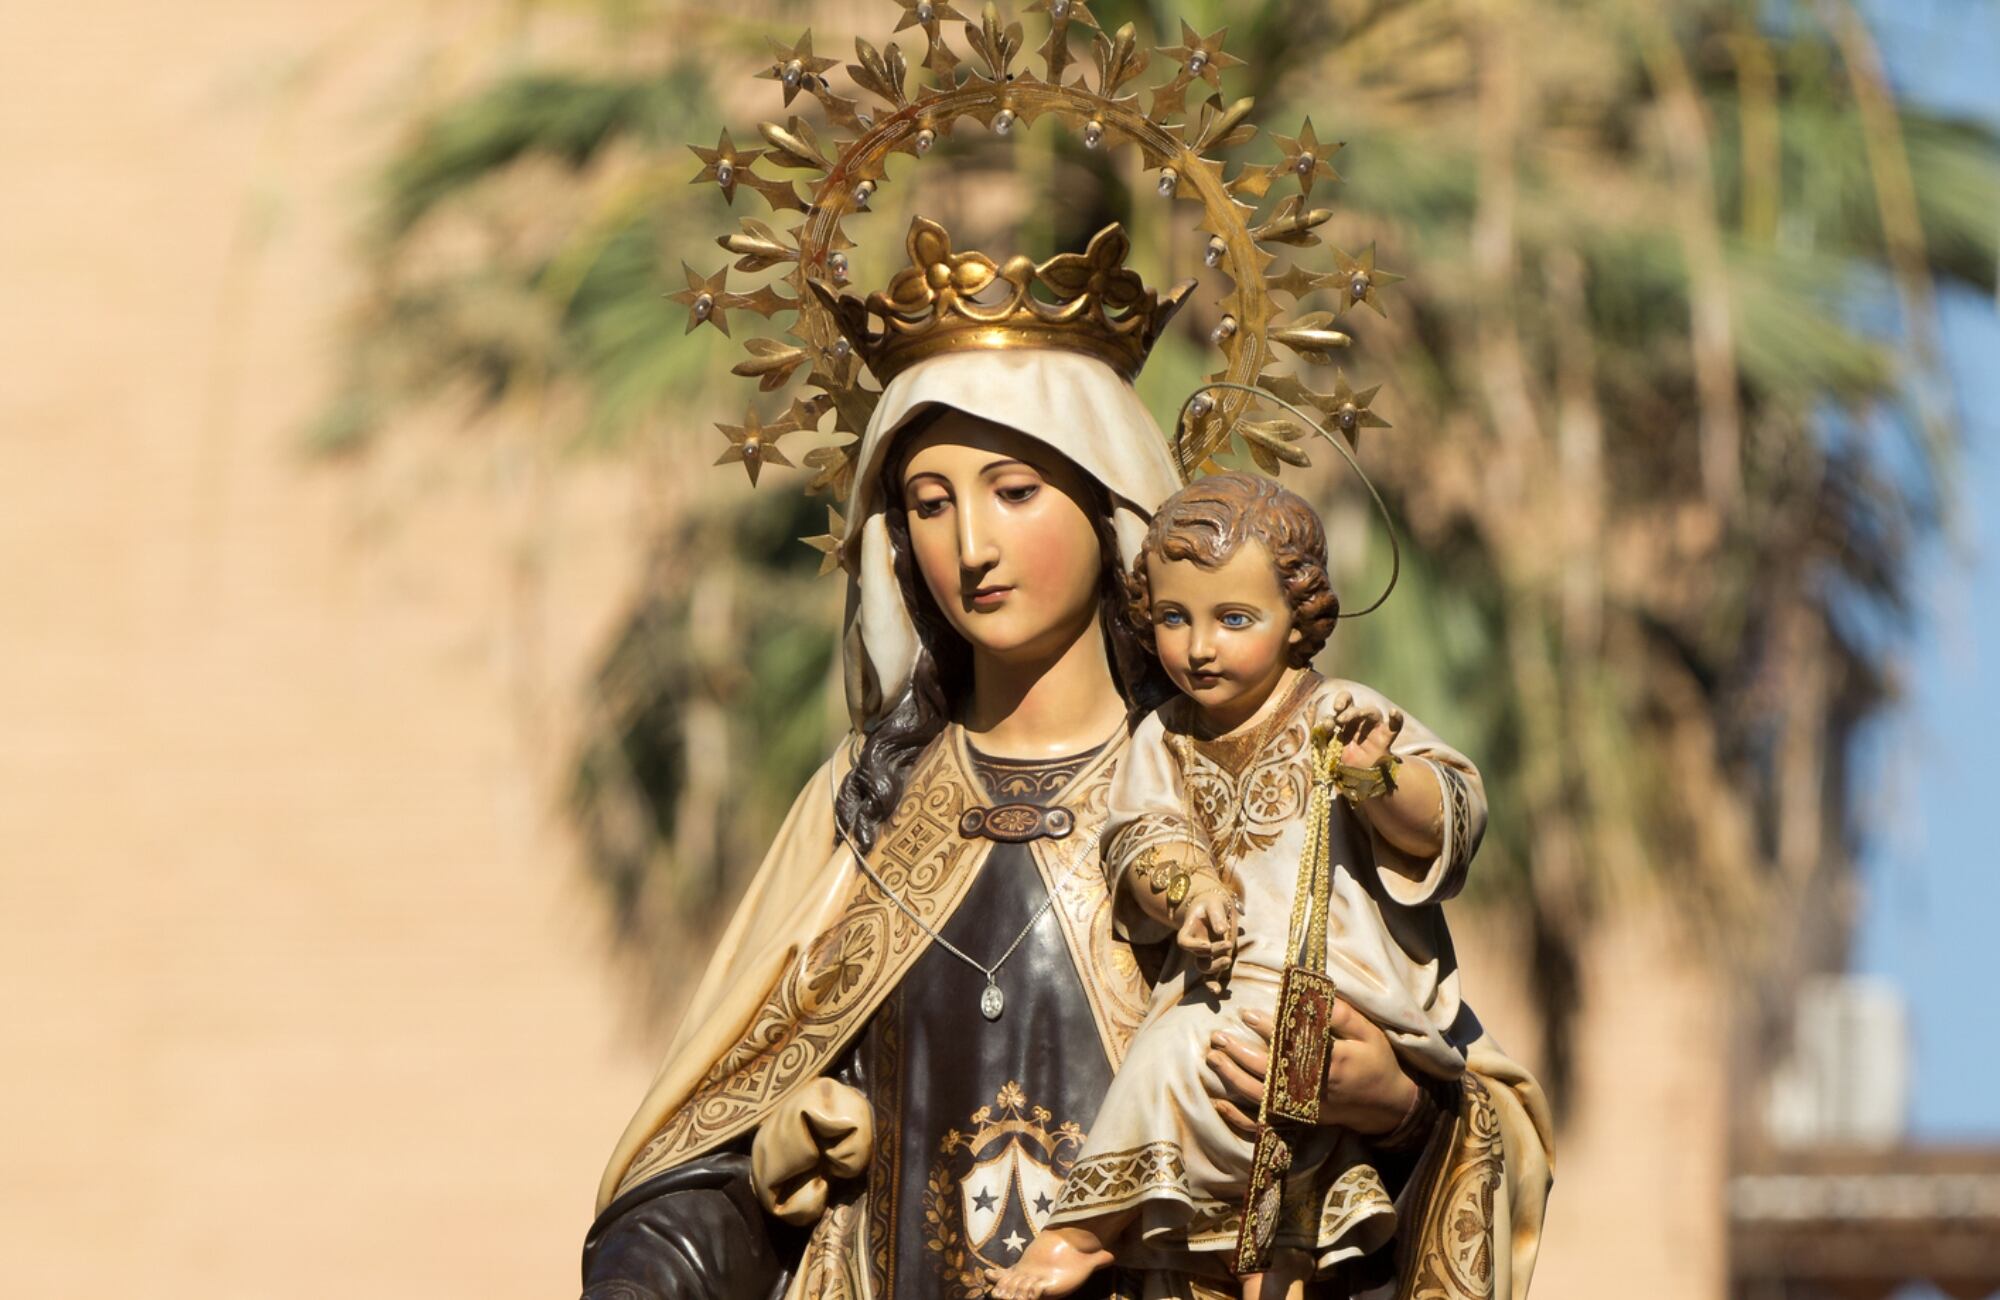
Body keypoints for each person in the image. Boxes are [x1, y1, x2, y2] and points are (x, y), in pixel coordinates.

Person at [579, 343, 1553, 1299]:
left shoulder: (1220, 777)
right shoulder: (870, 800)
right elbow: (699, 1153)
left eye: (1013, 492)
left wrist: (1388, 1109)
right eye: (929, 504)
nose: (970, 546)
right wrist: (759, 1171)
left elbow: (1469, 1113)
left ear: (1108, 504)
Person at [991, 473, 1482, 1300]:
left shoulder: (1341, 711)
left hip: (1339, 982)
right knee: (1218, 1069)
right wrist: (1189, 893)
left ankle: (1077, 1230)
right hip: (1225, 976)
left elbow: (1451, 817)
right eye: (1175, 619)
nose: (1199, 647)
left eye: (1234, 619)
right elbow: (1142, 832)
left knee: (1193, 1057)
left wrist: (1375, 779)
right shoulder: (1166, 737)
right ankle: (1254, 1260)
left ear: (1301, 619)